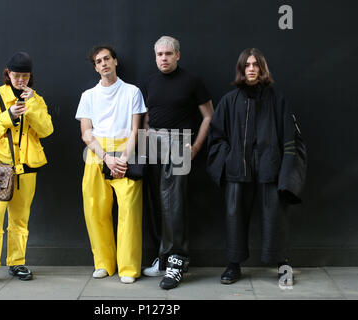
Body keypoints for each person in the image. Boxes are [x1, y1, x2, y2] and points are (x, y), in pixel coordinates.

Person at [206, 48, 306, 284]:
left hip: (270, 170)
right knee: (234, 217)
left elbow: (290, 140)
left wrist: (285, 175)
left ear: (262, 68)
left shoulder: (277, 99)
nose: (251, 69)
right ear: (241, 69)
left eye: (256, 64)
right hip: (237, 171)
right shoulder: (229, 101)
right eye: (247, 65)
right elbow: (216, 137)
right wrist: (230, 159)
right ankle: (233, 265)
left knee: (276, 217)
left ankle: (282, 263)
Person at [0, 52, 53, 288]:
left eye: (25, 76)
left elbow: (47, 129)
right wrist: (7, 117)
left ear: (30, 76)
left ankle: (16, 262)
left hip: (26, 168)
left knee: (20, 219)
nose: (21, 81)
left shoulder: (35, 99)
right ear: (8, 73)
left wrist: (31, 108)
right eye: (16, 75)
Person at [141, 36, 214, 290]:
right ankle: (163, 259)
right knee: (156, 203)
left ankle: (177, 261)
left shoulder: (192, 81)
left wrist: (195, 148)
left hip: (180, 144)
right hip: (153, 145)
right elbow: (147, 117)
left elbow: (208, 117)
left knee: (174, 205)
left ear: (178, 55)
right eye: (160, 54)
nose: (164, 58)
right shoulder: (149, 82)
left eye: (168, 54)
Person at [75, 45, 147, 284]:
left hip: (126, 150)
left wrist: (123, 159)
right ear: (95, 67)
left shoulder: (132, 92)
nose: (104, 63)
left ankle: (128, 267)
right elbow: (86, 133)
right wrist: (106, 157)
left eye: (107, 58)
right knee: (95, 210)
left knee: (129, 211)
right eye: (99, 61)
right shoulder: (88, 96)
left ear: (115, 61)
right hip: (97, 153)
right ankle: (104, 263)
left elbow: (137, 129)